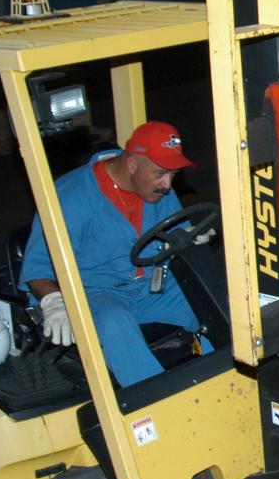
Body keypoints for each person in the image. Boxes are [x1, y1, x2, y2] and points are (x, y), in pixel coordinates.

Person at [20, 121, 209, 387]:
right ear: (132, 164)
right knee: (114, 321)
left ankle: (225, 381)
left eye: (173, 175)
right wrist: (53, 302)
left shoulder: (158, 188)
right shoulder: (69, 197)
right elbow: (38, 267)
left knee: (208, 296)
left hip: (150, 288)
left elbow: (174, 233)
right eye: (161, 174)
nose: (167, 184)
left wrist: (188, 238)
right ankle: (153, 401)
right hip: (97, 293)